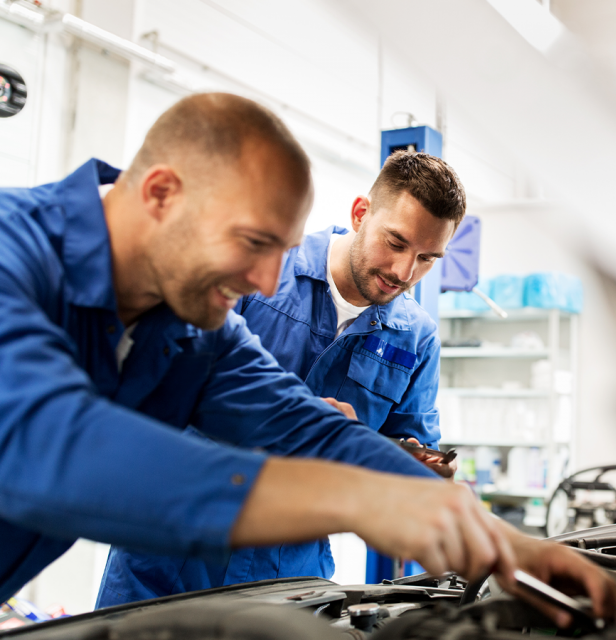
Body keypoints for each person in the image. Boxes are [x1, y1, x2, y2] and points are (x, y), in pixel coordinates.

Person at [0, 93, 616, 626]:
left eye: (284, 252)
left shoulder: (187, 326)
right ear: (163, 193)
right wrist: (354, 501)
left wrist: (506, 542)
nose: (267, 282)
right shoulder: (12, 255)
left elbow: (308, 426)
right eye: (252, 244)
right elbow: (48, 448)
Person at [97, 151, 462, 604]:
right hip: (173, 546)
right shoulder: (261, 266)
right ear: (360, 213)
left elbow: (407, 452)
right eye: (397, 242)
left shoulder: (416, 338)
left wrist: (421, 472)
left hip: (289, 572)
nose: (404, 272)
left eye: (427, 258)